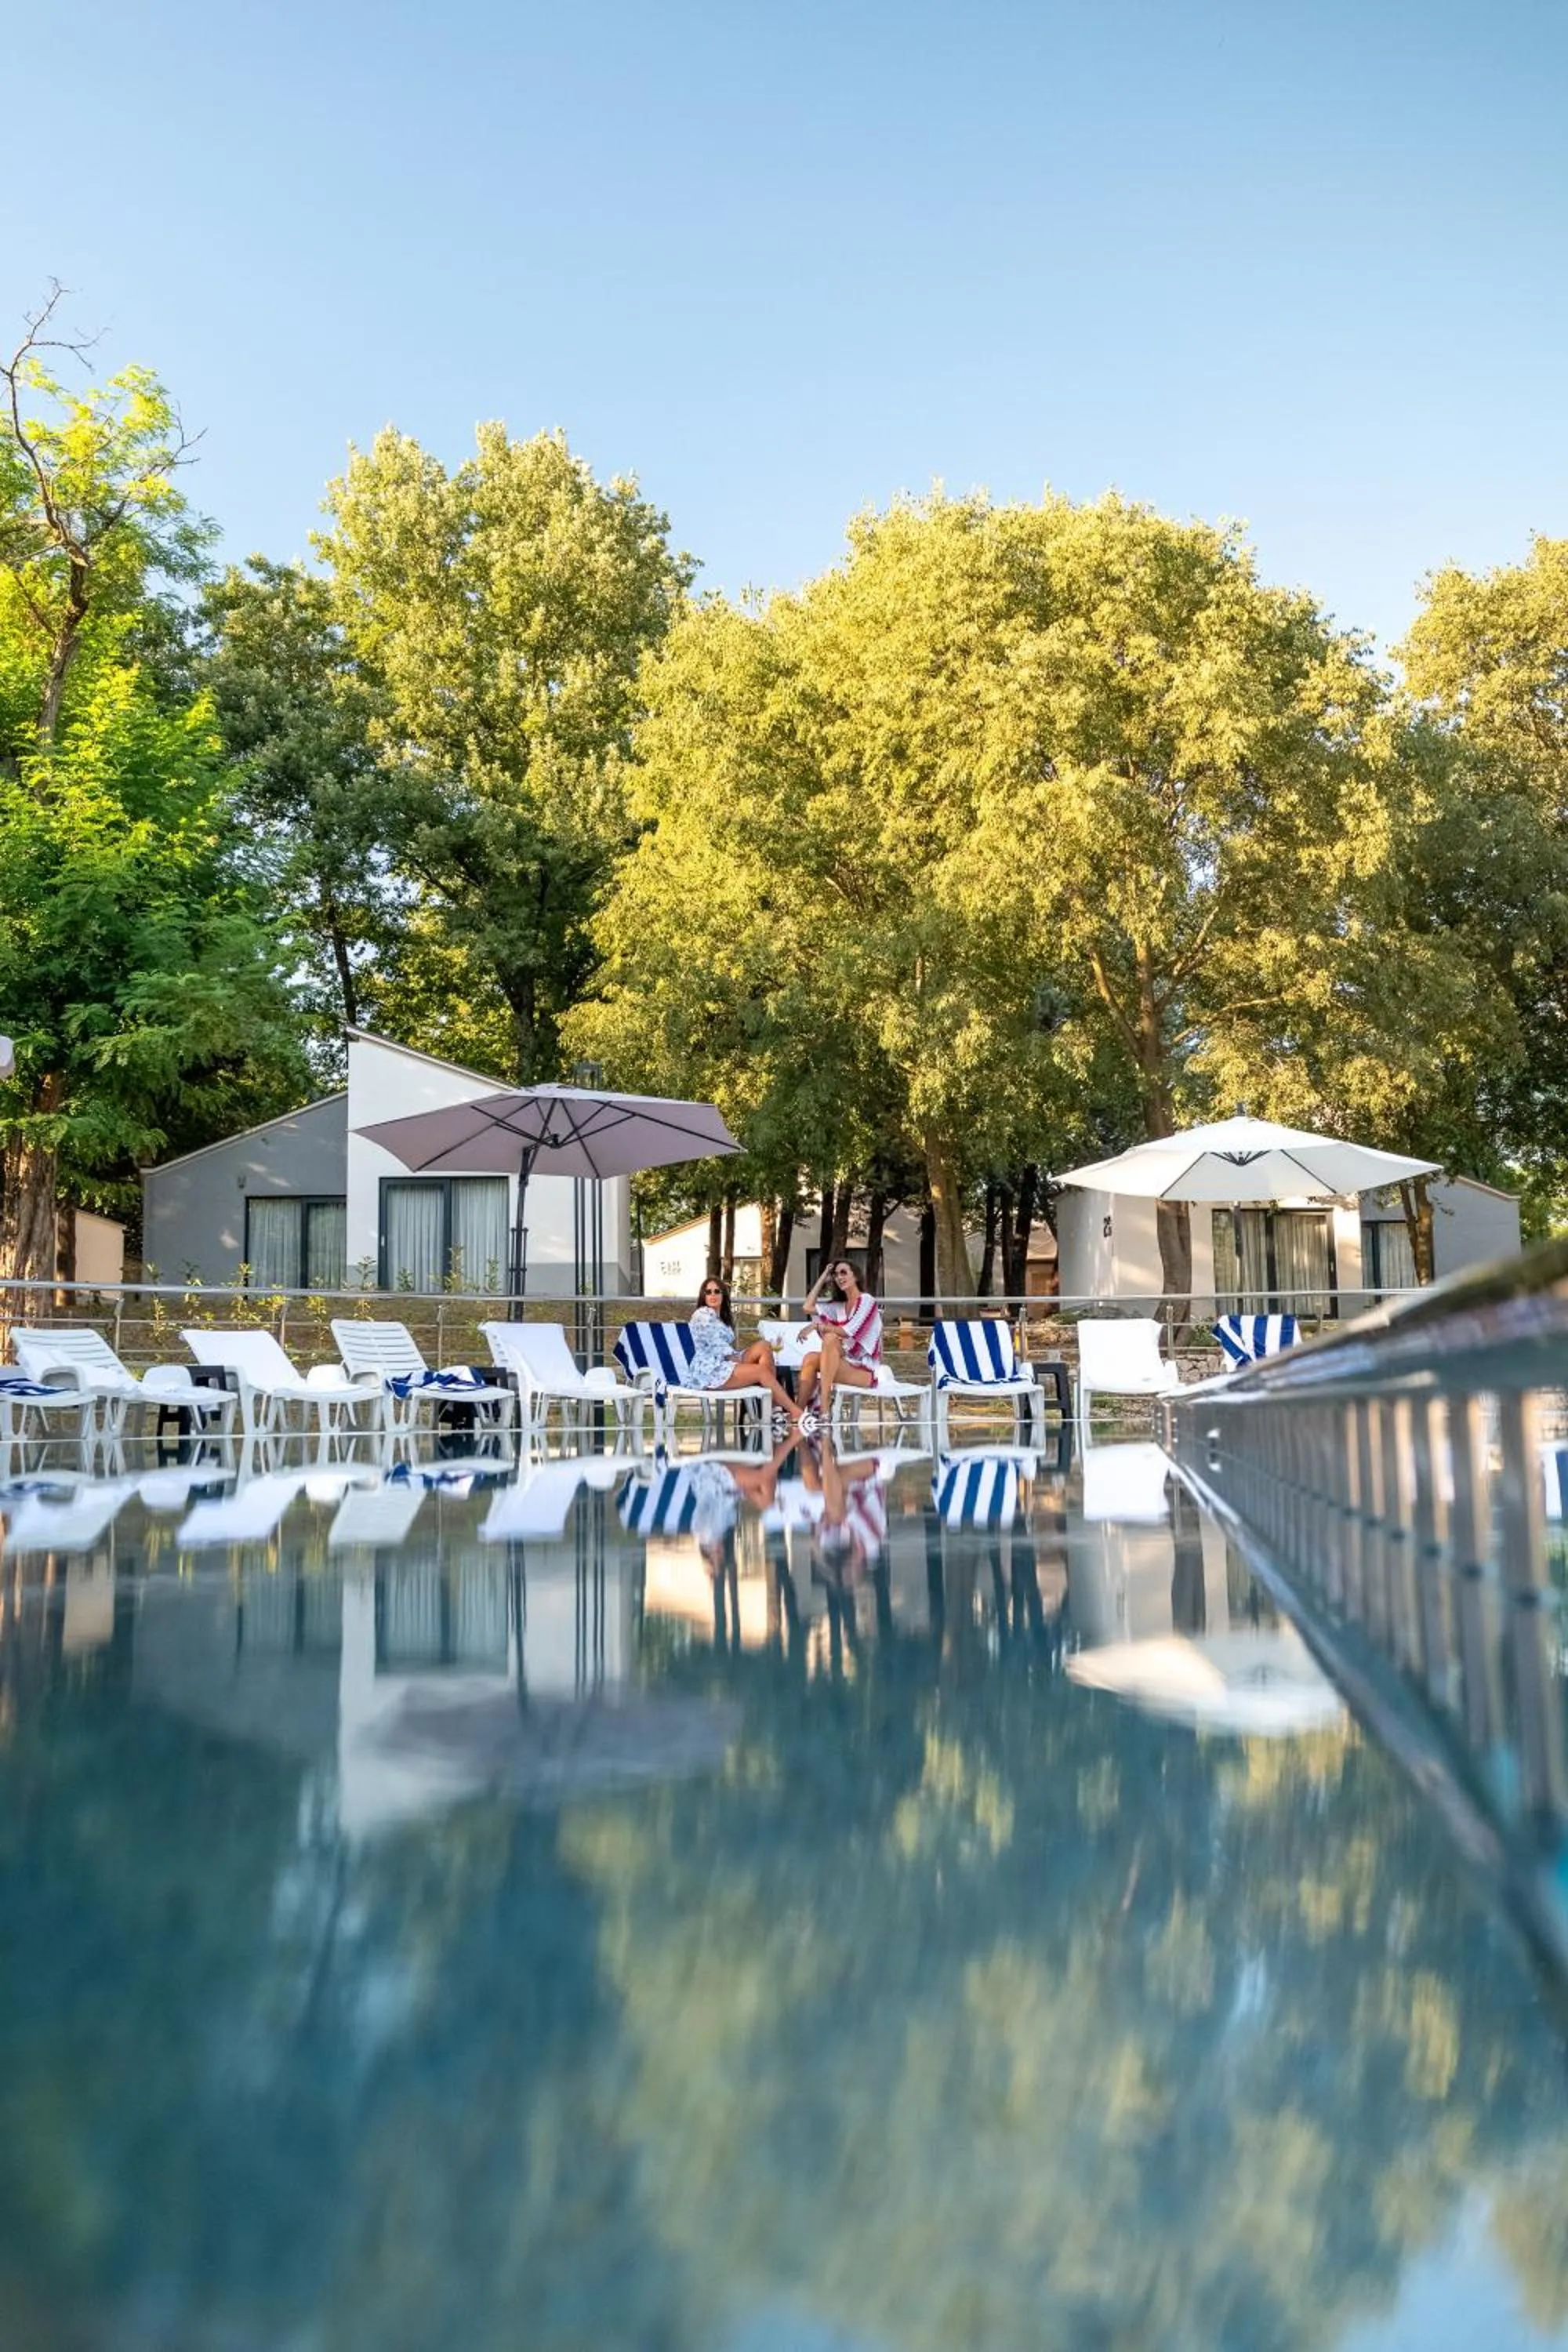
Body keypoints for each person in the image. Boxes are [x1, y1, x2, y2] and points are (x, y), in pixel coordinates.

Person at [688, 1276, 800, 1421]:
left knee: (764, 1346)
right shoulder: (702, 1314)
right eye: (708, 1292)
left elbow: (725, 1347)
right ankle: (793, 1411)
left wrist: (736, 1357)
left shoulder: (722, 1318)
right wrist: (734, 1357)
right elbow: (714, 1342)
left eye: (717, 1291)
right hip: (711, 1370)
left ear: (723, 1295)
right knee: (761, 1371)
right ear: (704, 1296)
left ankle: (773, 1409)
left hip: (724, 1362)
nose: (713, 1295)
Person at [795, 1258, 884, 1428]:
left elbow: (846, 1331)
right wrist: (823, 1276)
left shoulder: (867, 1301)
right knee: (809, 1359)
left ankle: (824, 1406)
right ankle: (797, 1413)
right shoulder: (839, 1307)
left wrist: (816, 1325)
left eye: (844, 1273)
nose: (839, 1277)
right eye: (836, 1275)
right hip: (844, 1364)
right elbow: (807, 1307)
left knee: (830, 1337)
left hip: (865, 1371)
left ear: (855, 1276)